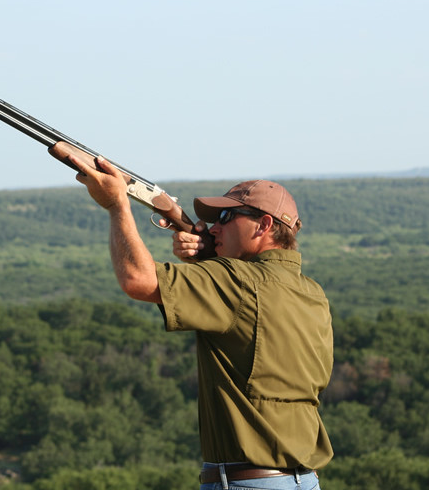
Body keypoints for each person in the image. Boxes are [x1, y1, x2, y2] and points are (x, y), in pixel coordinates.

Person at [68, 153, 333, 490]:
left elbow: (137, 279)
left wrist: (117, 204)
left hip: (245, 483)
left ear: (264, 225)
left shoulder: (235, 281)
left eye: (226, 216)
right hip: (303, 481)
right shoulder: (312, 292)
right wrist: (209, 260)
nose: (214, 227)